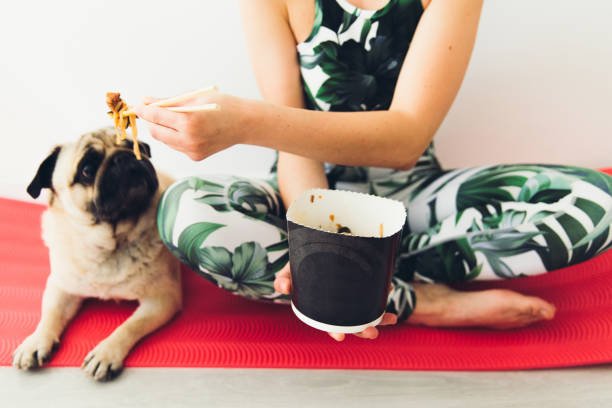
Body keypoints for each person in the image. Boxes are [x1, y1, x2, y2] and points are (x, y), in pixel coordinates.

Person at [132, 0, 612, 341]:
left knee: (596, 202)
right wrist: (319, 247)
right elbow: (293, 149)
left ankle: (362, 282)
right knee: (183, 209)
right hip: (309, 192)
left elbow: (406, 139)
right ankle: (422, 302)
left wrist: (245, 122)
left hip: (412, 199)